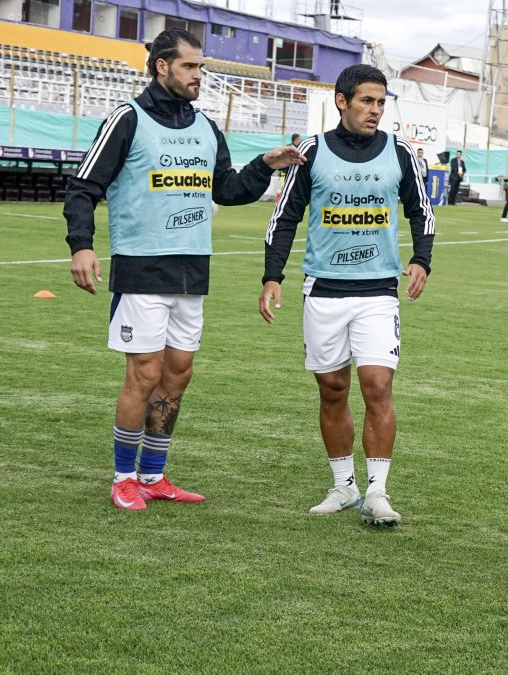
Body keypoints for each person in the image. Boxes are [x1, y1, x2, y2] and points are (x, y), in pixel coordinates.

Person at [63, 29, 304, 511]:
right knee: (144, 373)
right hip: (142, 267)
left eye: (201, 67)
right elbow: (83, 186)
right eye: (190, 66)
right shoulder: (127, 119)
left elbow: (226, 190)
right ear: (162, 66)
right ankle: (123, 478)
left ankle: (153, 475)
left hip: (193, 270)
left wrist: (264, 164)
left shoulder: (206, 127)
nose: (199, 75)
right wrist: (81, 246)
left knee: (177, 375)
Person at [260, 64, 434, 526]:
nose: (375, 110)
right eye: (366, 101)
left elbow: (421, 211)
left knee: (377, 385)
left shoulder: (399, 152)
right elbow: (285, 216)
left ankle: (377, 492)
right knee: (332, 388)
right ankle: (344, 487)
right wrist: (272, 276)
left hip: (378, 291)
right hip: (323, 290)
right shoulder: (312, 151)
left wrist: (421, 259)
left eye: (381, 103)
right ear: (342, 101)